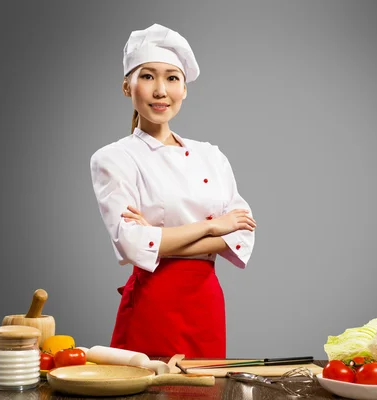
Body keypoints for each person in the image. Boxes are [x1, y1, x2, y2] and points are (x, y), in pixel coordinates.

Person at [89, 23, 256, 358]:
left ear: (184, 89)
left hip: (206, 301)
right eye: (148, 76)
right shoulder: (114, 158)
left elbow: (242, 234)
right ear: (127, 86)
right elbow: (132, 244)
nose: (160, 90)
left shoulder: (211, 155)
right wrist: (211, 227)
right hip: (154, 303)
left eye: (172, 78)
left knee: (207, 391)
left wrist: (159, 235)